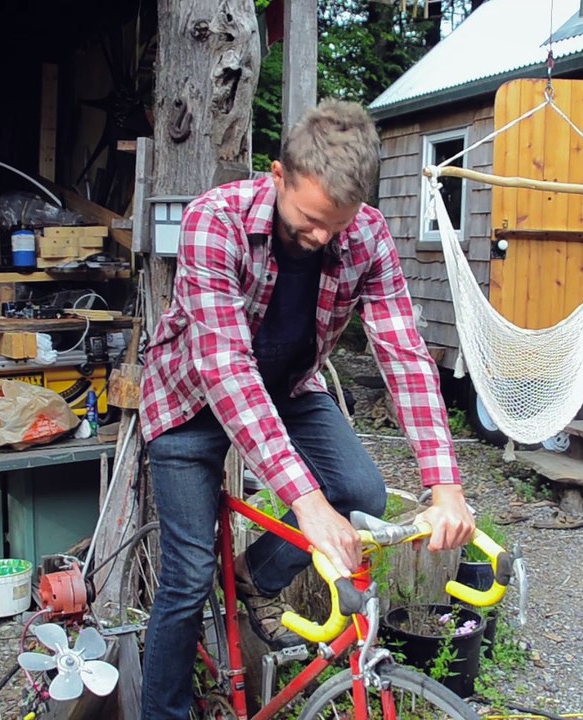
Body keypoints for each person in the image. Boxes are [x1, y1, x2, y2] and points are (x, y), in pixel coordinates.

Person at [138, 99, 475, 719]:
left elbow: (403, 351)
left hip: (288, 387)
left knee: (362, 493)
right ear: (276, 175)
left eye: (335, 225)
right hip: (191, 397)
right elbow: (228, 371)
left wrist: (445, 485)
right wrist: (306, 504)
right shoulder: (213, 221)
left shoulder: (367, 233)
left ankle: (249, 579)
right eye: (308, 221)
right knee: (185, 582)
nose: (321, 238)